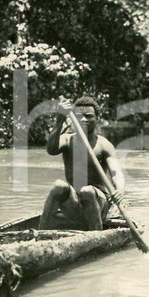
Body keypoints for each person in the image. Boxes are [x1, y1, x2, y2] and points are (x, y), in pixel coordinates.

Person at [39, 96, 126, 231]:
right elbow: (51, 150)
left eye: (89, 116)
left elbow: (116, 173)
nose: (84, 120)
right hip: (74, 203)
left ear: (97, 119)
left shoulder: (104, 145)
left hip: (98, 203)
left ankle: (97, 237)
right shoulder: (67, 140)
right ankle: (40, 233)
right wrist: (59, 120)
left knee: (87, 190)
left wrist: (119, 191)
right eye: (80, 116)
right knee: (58, 186)